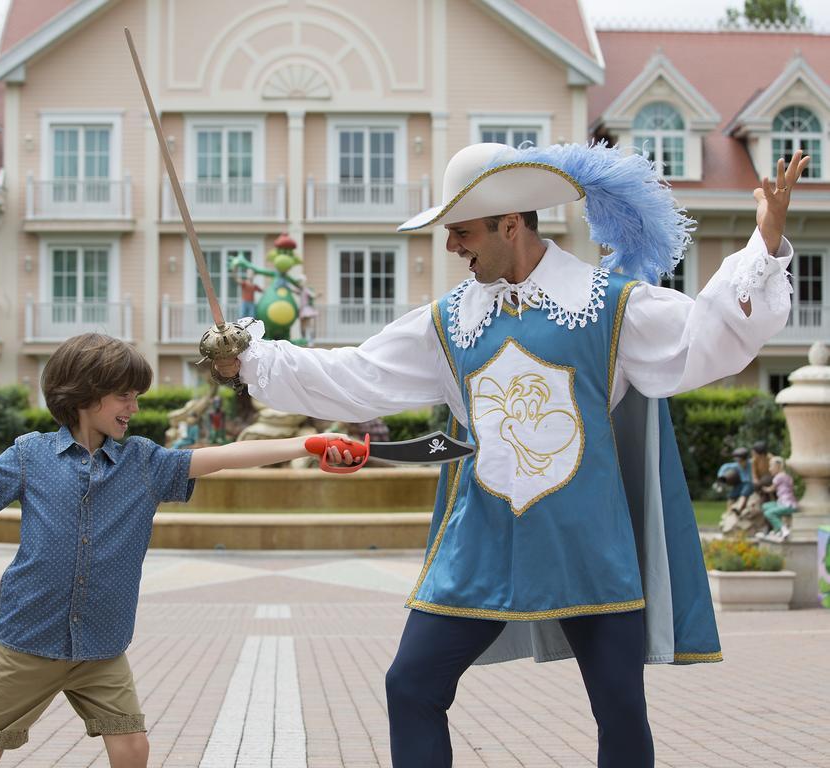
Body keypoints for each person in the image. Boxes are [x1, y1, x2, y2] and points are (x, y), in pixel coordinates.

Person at [212, 141, 809, 768]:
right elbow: (357, 374)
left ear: (510, 224)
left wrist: (762, 248)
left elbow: (703, 340)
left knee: (620, 709)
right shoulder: (450, 321)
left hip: (588, 547)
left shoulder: (609, 303)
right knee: (410, 684)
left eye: (462, 232)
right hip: (483, 542)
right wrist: (252, 361)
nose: (452, 247)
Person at [0, 332, 360, 768]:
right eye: (124, 395)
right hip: (27, 640)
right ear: (84, 394)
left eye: (135, 395)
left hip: (102, 646)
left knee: (131, 748)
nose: (135, 405)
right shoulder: (31, 456)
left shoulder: (145, 463)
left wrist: (309, 444)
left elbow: (221, 456)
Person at [760, 455, 797, 541]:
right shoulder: (787, 476)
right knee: (766, 506)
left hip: (786, 505)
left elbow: (771, 489)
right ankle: (777, 529)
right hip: (787, 503)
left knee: (768, 513)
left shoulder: (778, 477)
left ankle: (783, 529)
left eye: (771, 466)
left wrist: (763, 488)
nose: (770, 469)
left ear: (777, 466)